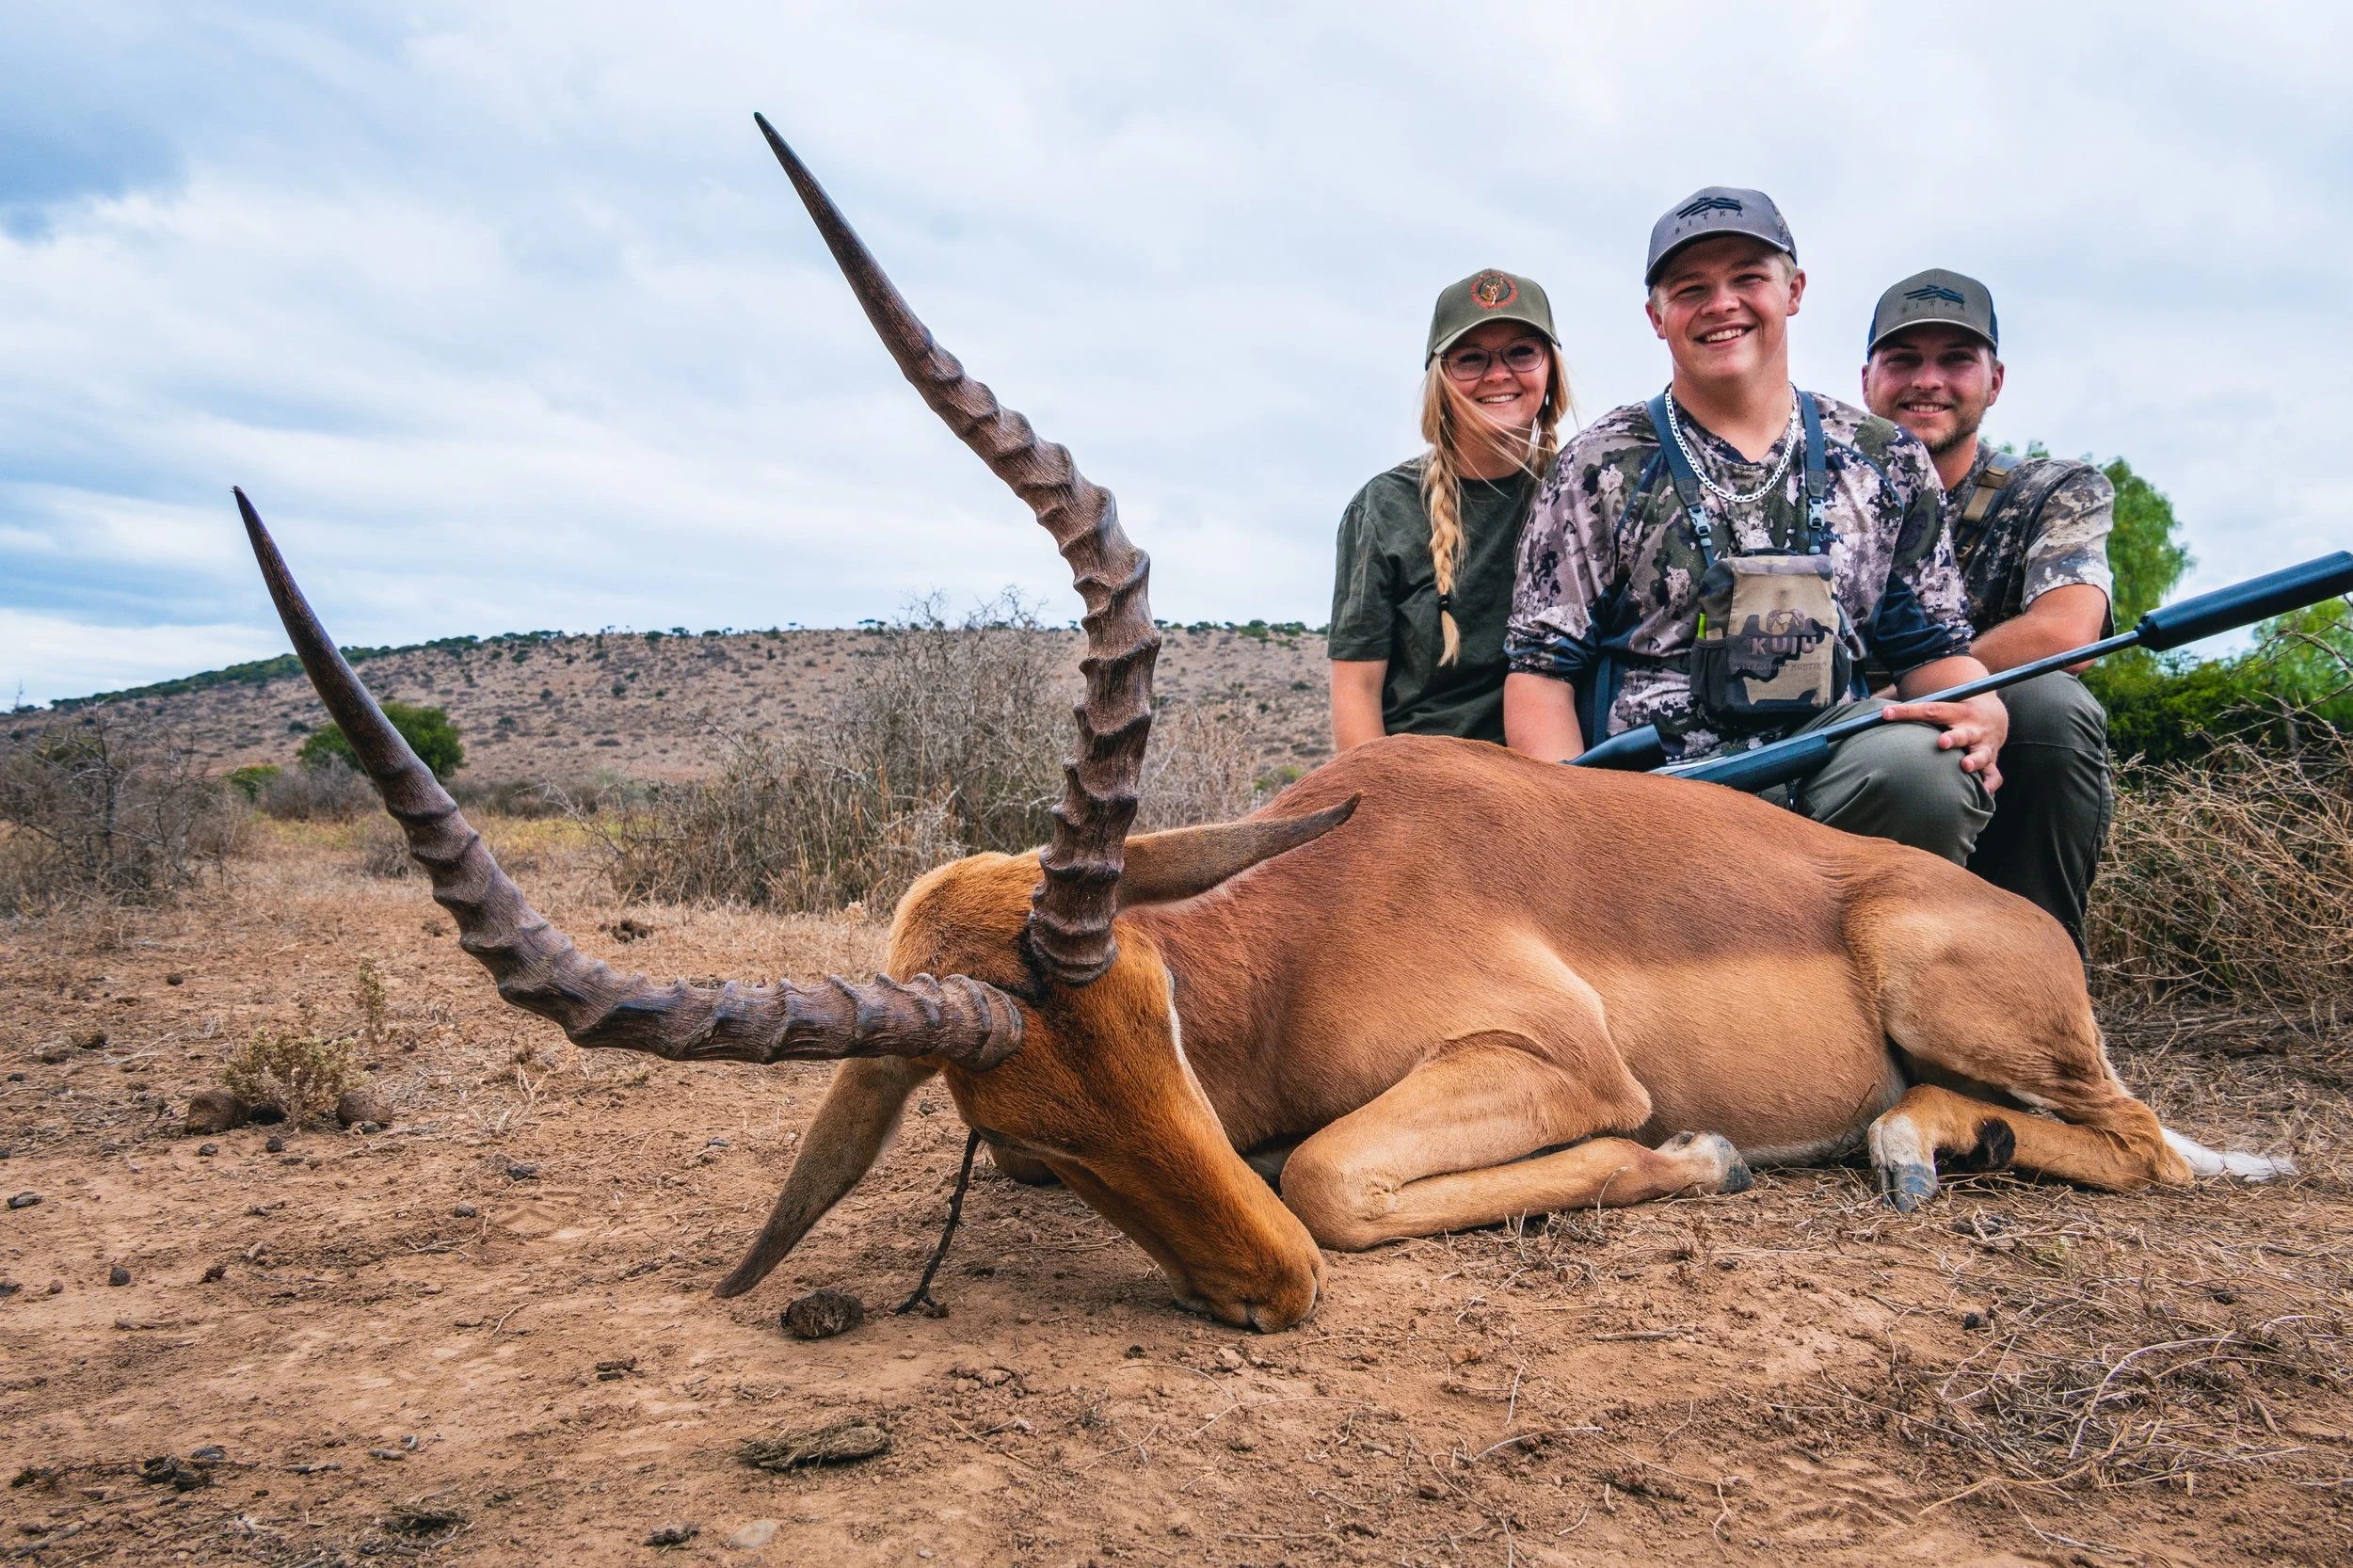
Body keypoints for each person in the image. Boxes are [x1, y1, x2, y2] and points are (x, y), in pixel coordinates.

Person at [1503, 188, 2007, 865]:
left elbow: (1930, 650)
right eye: (1690, 288)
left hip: (1833, 756)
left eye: (1748, 278)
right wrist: (1572, 827)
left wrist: (1983, 711)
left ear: (1794, 290)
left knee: (1930, 769)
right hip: (1664, 791)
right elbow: (1541, 670)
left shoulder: (1885, 456)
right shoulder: (1598, 463)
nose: (1721, 304)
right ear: (1657, 317)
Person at [1862, 268, 2115, 945]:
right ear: (1868, 381)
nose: (1928, 381)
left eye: (1956, 360)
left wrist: (1908, 694)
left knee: (2053, 706)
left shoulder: (2055, 489)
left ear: (1994, 381)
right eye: (1904, 359)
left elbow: (2069, 631)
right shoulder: (1812, 488)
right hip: (1840, 748)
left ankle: (2040, 965)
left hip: (1940, 736)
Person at [1328, 268, 1573, 748]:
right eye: (1470, 359)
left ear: (1550, 368)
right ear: (1440, 377)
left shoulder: (1583, 493)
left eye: (1522, 352)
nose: (1499, 375)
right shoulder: (1382, 508)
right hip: (1430, 786)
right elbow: (1356, 690)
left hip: (1560, 777)